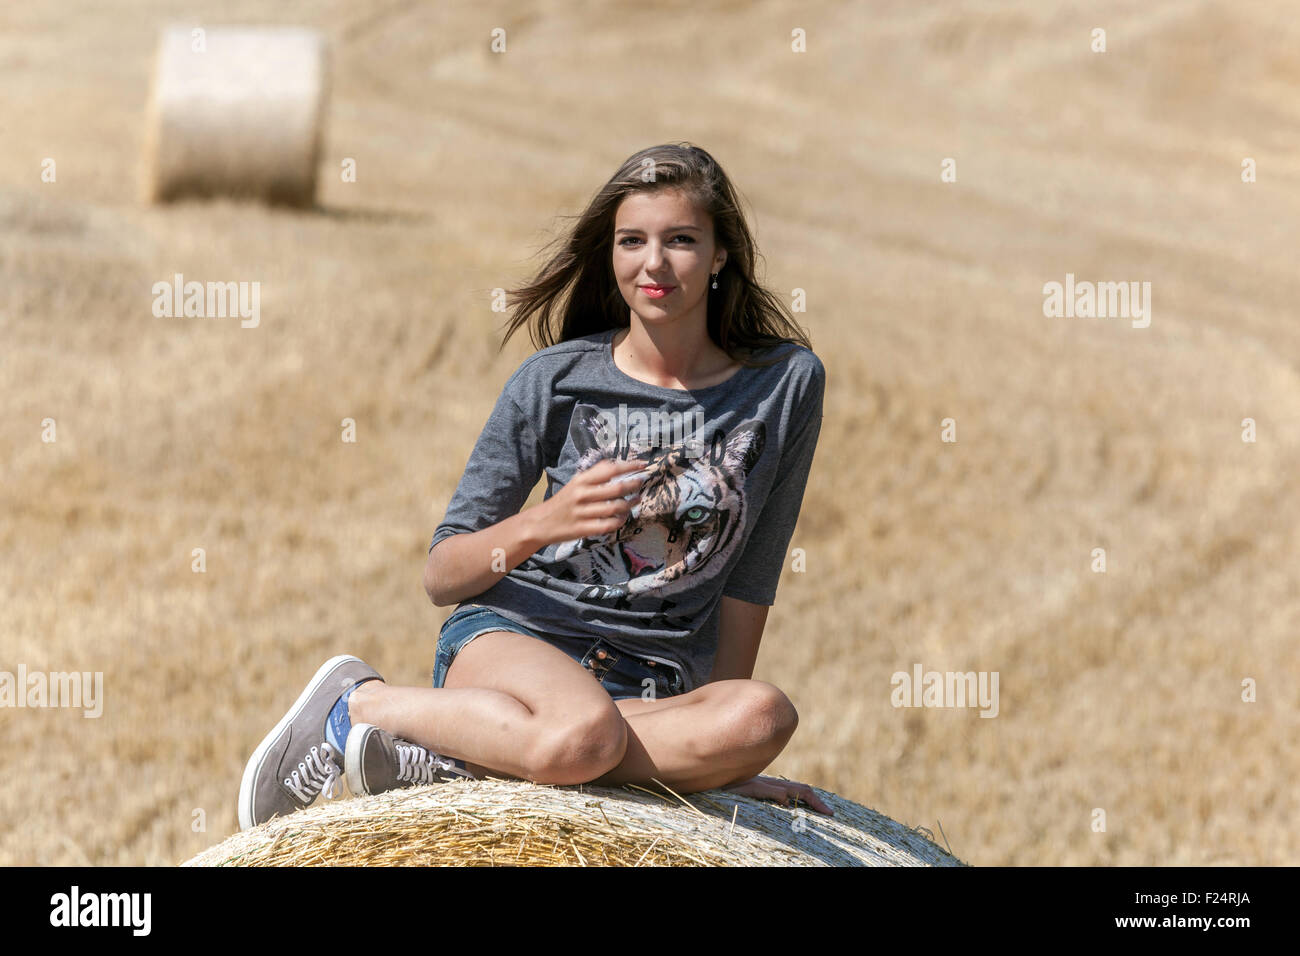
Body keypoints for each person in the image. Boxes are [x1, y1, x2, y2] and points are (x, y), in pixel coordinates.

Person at [238, 143, 831, 832]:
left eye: (681, 241)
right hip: (513, 642)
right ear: (610, 253)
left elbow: (751, 576)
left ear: (721, 253)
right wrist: (547, 521)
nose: (654, 264)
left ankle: (472, 756)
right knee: (584, 733)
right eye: (632, 240)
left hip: (648, 687)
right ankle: (359, 704)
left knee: (763, 714)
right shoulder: (554, 380)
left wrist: (724, 763)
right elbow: (443, 573)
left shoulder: (786, 385)